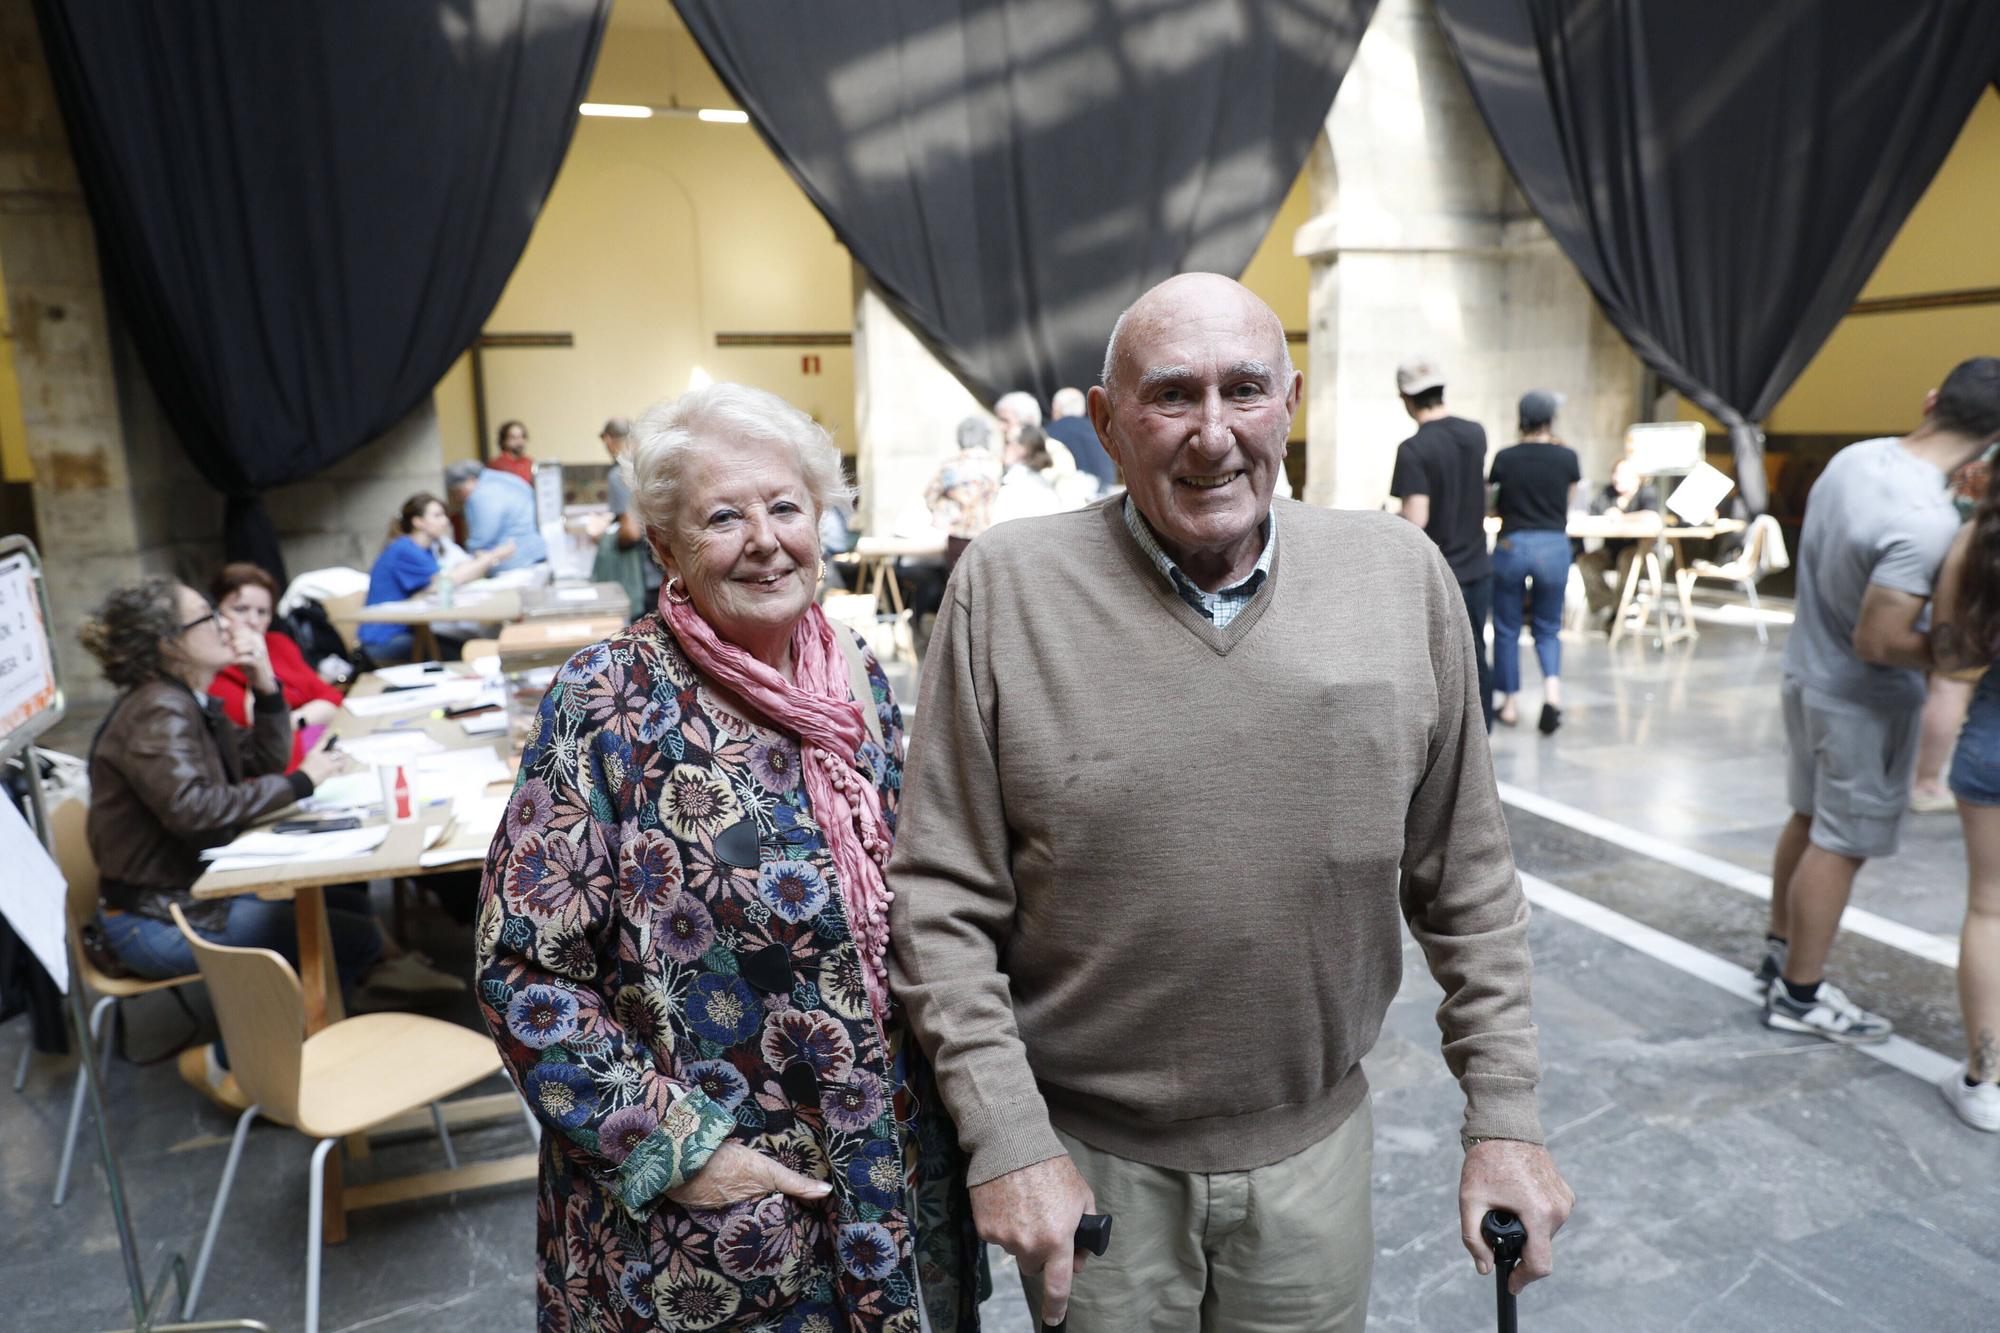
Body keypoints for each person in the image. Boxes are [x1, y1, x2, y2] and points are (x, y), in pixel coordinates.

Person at [888, 274, 1571, 1331]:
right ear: (1107, 424)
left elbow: (1468, 882)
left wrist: (1507, 1120)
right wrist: (1009, 1137)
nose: (1212, 436)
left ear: (1289, 402)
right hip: (1091, 1170)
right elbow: (938, 903)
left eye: (1242, 390)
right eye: (1170, 396)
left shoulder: (1398, 577)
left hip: (1313, 1162)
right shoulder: (1008, 588)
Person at [474, 382, 982, 1331]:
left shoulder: (856, 672)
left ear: (819, 520)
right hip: (716, 1235)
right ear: (664, 548)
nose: (764, 538)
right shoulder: (609, 699)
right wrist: (682, 1151)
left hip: (895, 1194)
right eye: (722, 516)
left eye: (785, 507)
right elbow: (523, 973)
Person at [1761, 358, 2000, 1045]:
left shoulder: (1855, 457)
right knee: (1841, 844)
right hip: (1859, 699)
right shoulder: (1925, 517)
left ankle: (1780, 952)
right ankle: (1800, 995)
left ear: (1934, 401)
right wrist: (1956, 652)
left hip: (1807, 671)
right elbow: (1881, 638)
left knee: (1808, 820)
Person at [77, 577, 371, 1109]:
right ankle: (241, 1063)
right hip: (153, 919)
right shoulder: (157, 710)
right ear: (169, 642)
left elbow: (257, 764)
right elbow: (196, 811)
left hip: (184, 898)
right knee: (343, 938)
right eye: (207, 617)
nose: (226, 625)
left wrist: (265, 684)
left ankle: (291, 1047)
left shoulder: (184, 700)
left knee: (343, 913)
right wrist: (302, 781)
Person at [1914, 357, 2000, 1129]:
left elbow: (1950, 658)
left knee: (1990, 909)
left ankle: (1986, 1080)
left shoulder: (1973, 541)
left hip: (1993, 744)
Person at [1391, 356, 1497, 730]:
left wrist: (1388, 522)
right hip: (1479, 567)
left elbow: (1417, 519)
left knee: (1438, 660)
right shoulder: (1476, 433)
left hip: (1439, 573)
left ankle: (1449, 735)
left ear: (1406, 397)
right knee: (1476, 652)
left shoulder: (1414, 449)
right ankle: (1482, 730)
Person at [1488, 390, 1581, 733]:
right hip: (1554, 545)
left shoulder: (1505, 457)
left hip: (1513, 543)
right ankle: (1552, 697)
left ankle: (1510, 704)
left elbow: (1494, 503)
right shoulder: (1568, 457)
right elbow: (1567, 502)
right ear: (1550, 420)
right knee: (1548, 627)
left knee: (1508, 627)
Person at [208, 562, 344, 771]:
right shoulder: (215, 664)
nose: (253, 621)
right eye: (241, 609)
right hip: (279, 771)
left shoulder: (280, 643)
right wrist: (260, 668)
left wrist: (293, 721)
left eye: (262, 612)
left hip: (319, 749)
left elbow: (331, 697)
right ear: (217, 614)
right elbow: (254, 729)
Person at [359, 492, 514, 663]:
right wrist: (490, 557)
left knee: (467, 645)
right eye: (437, 515)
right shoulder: (404, 550)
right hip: (385, 640)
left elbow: (441, 582)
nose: (445, 521)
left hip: (410, 633)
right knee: (465, 656)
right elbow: (443, 583)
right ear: (418, 522)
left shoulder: (424, 550)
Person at [1577, 456, 1660, 622]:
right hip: (1611, 550)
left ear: (1636, 476)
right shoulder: (1608, 493)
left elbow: (1652, 516)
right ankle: (1609, 604)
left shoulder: (1647, 492)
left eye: (1622, 474)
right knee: (1586, 561)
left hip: (1640, 551)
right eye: (1615, 473)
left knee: (1627, 558)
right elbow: (1593, 515)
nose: (1616, 478)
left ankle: (1620, 609)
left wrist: (1623, 517)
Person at [598, 415, 663, 612]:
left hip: (644, 578)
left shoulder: (620, 473)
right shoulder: (650, 465)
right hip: (665, 570)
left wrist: (608, 538)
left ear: (607, 439)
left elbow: (631, 532)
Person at [925, 413, 1005, 566]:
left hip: (958, 533)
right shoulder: (996, 464)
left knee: (958, 583)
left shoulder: (951, 465)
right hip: (988, 533)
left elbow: (929, 495)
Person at [448, 457, 547, 571]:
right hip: (539, 551)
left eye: (458, 492)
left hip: (514, 561)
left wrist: (468, 559)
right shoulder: (506, 479)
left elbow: (482, 538)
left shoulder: (481, 494)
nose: (458, 498)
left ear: (471, 479)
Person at [991, 422, 1067, 527]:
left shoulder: (1016, 484)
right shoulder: (1042, 485)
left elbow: (996, 526)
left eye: (1008, 442)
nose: (1004, 447)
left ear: (1023, 449)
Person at [1046, 385, 1117, 492]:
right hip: (1106, 495)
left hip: (1069, 498)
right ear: (1083, 409)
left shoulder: (1049, 434)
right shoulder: (1102, 429)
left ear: (1056, 408)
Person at [487, 418, 535, 486]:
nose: (519, 441)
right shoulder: (496, 465)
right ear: (504, 441)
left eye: (522, 437)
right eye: (513, 437)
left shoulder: (529, 462)